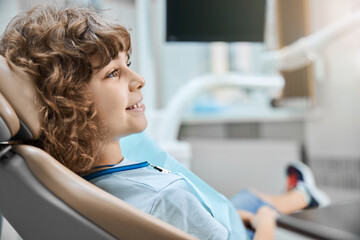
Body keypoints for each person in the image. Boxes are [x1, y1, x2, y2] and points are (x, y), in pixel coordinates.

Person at [0, 5, 330, 240]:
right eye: (113, 73)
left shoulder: (52, 180)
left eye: (127, 64)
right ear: (68, 103)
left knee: (241, 200)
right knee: (257, 205)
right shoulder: (168, 198)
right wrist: (267, 222)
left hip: (214, 218)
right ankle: (298, 195)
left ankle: (297, 194)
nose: (138, 79)